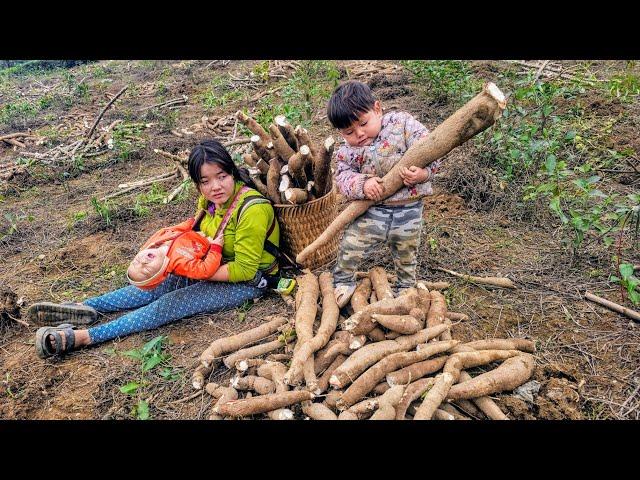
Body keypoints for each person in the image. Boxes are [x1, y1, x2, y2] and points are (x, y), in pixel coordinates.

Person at [29, 139, 282, 359]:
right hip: (212, 263)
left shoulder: (253, 210)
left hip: (248, 282)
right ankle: (84, 306)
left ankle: (86, 336)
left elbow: (245, 269)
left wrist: (194, 272)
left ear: (232, 173)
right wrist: (170, 257)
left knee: (171, 302)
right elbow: (195, 232)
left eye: (222, 177)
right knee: (156, 283)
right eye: (205, 181)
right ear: (197, 184)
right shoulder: (209, 200)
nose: (215, 186)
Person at [328, 81, 441, 306]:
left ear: (377, 109)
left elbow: (433, 149)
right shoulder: (346, 151)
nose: (359, 134)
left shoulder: (403, 124)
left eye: (363, 123)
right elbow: (342, 177)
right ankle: (342, 281)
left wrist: (423, 174)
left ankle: (405, 288)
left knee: (407, 253)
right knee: (351, 245)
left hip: (408, 210)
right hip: (372, 211)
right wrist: (363, 183)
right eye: (349, 132)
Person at [126, 218, 224, 290]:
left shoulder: (153, 243)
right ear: (160, 273)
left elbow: (169, 230)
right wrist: (216, 248)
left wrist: (189, 222)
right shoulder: (178, 264)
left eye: (136, 262)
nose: (142, 262)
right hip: (209, 237)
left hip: (200, 224)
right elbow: (205, 270)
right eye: (147, 270)